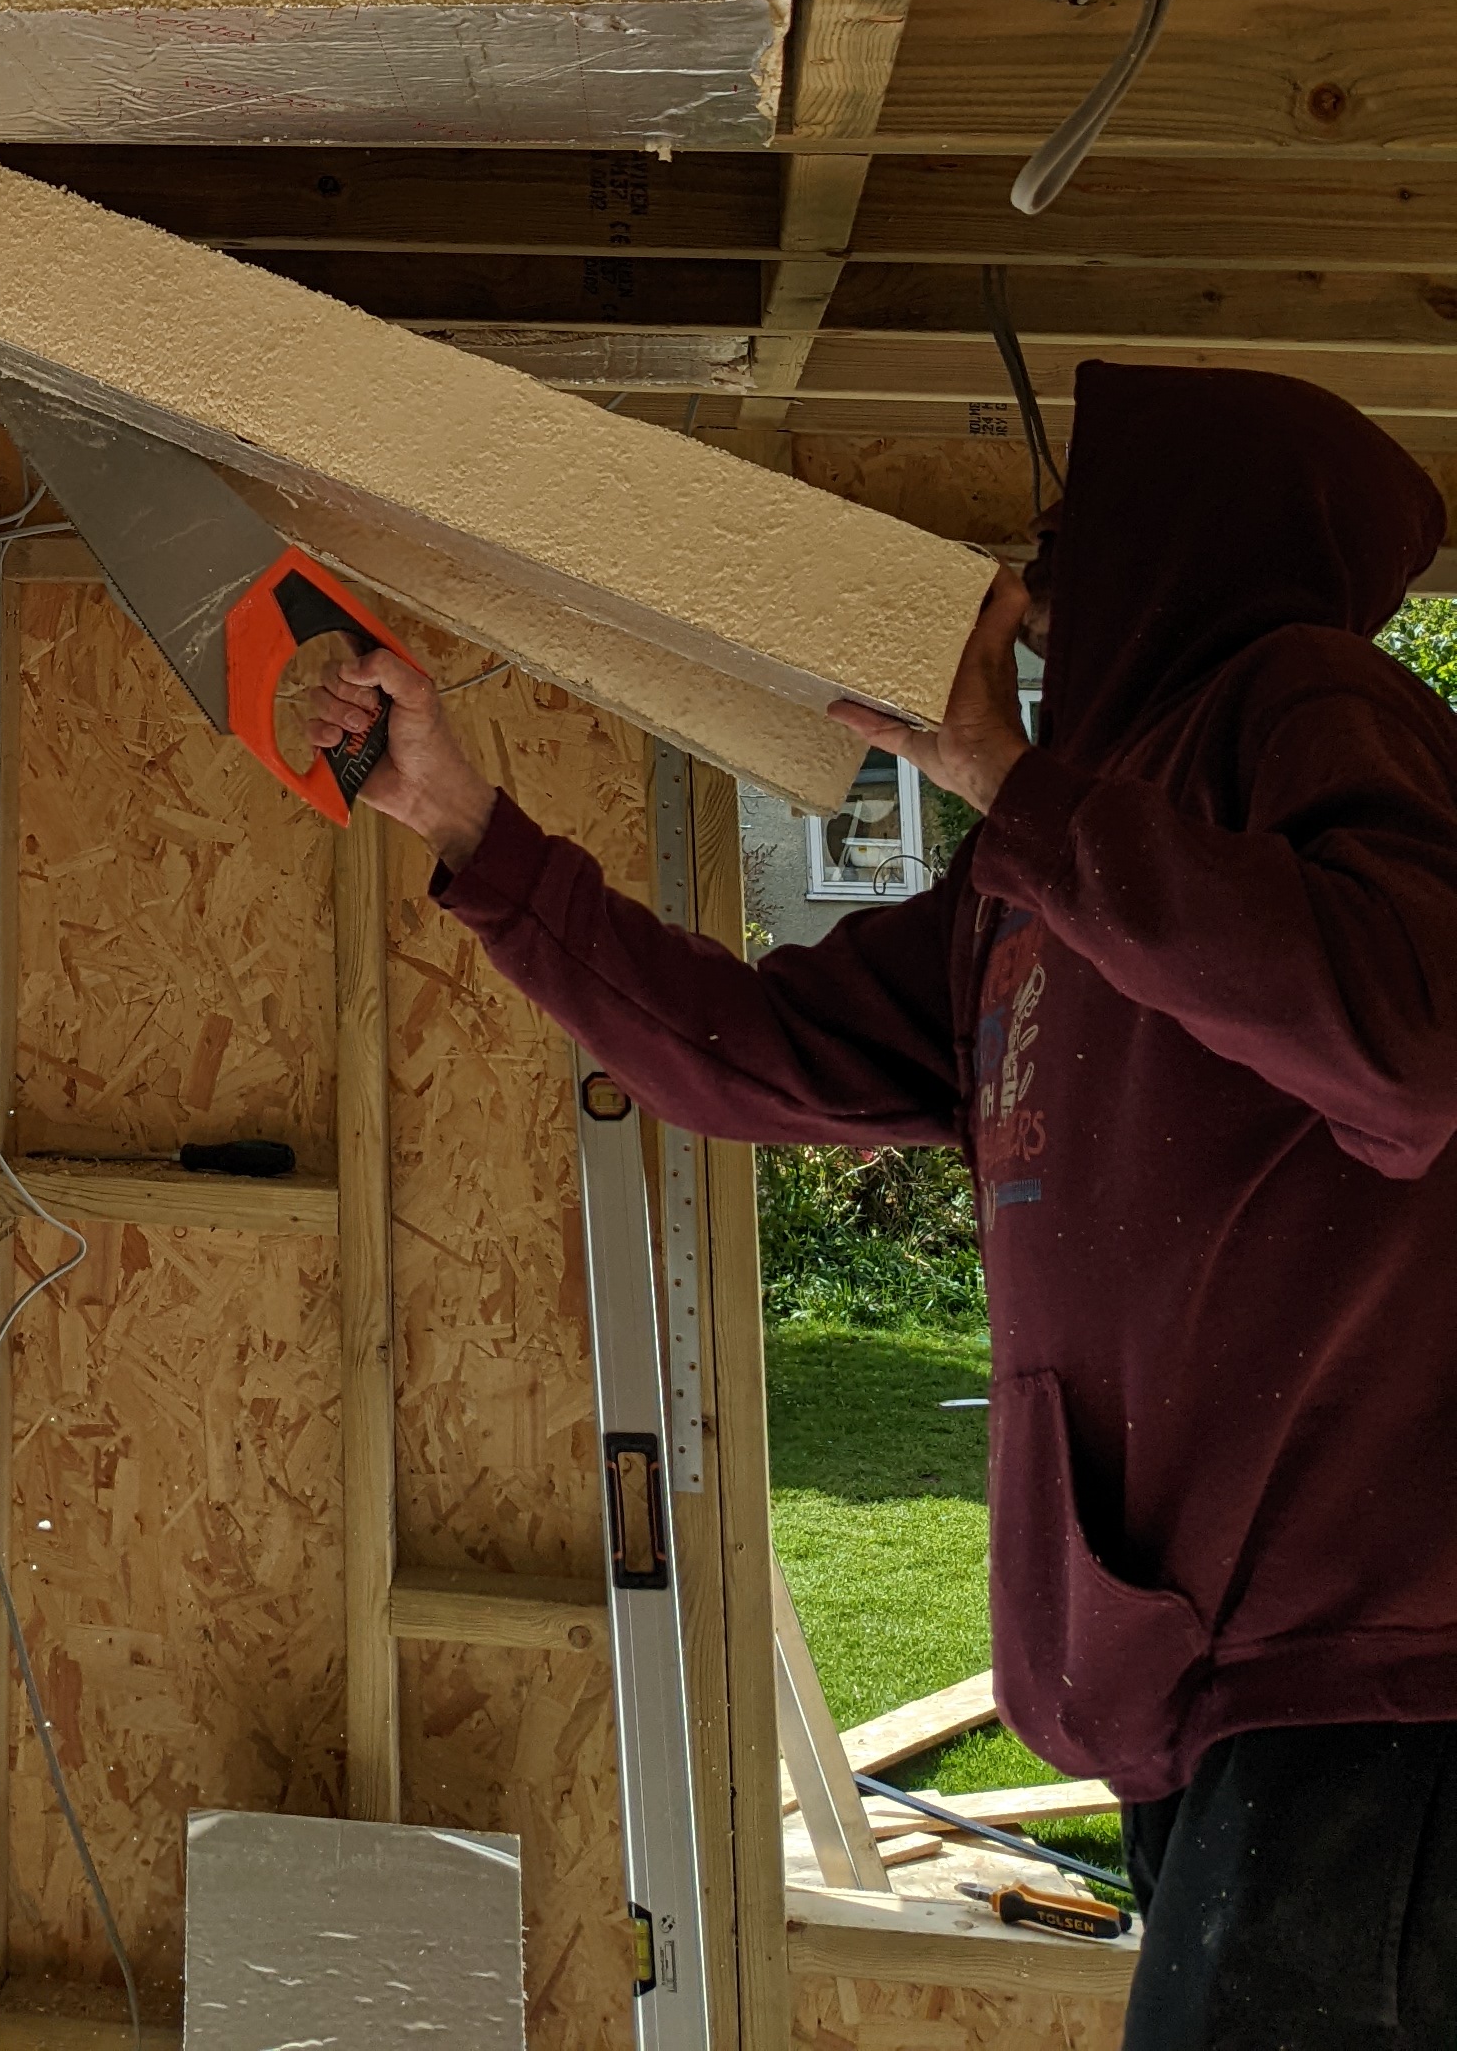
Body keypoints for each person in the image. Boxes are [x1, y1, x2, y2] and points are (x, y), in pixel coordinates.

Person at [311, 361, 1457, 2051]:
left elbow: (1417, 1045)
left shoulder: (1303, 707)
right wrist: (473, 828)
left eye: (1082, 524)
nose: (1035, 569)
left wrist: (1018, 785)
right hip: (1215, 1692)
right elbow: (761, 1055)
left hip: (1368, 1690)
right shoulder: (1061, 850)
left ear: (1195, 535)